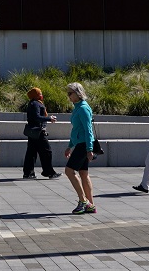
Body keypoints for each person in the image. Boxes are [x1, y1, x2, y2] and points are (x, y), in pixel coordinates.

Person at [64, 82, 97, 214]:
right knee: (83, 173)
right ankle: (90, 204)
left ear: (77, 93)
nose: (68, 96)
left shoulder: (83, 108)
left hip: (84, 145)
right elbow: (76, 130)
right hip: (80, 143)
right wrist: (70, 146)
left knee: (69, 171)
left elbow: (88, 130)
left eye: (70, 93)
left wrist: (89, 149)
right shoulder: (78, 107)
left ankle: (83, 201)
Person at [23, 87, 59, 180]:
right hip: (38, 132)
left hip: (33, 132)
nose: (41, 95)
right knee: (47, 151)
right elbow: (37, 117)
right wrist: (49, 118)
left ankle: (28, 173)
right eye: (39, 93)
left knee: (31, 153)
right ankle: (49, 172)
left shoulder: (32, 103)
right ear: (35, 95)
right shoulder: (35, 104)